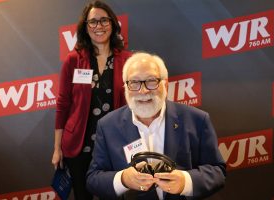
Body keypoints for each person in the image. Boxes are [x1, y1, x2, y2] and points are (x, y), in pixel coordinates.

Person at [86, 52, 226, 200]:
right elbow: (93, 179)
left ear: (165, 84)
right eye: (134, 82)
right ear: (126, 87)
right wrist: (123, 179)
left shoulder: (197, 119)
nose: (143, 90)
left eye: (151, 81)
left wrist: (186, 182)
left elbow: (217, 171)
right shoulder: (107, 126)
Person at [51, 1, 131, 199]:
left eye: (104, 20)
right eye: (93, 22)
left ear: (113, 24)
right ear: (85, 27)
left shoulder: (128, 61)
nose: (99, 26)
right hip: (79, 146)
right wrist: (56, 148)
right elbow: (63, 105)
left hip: (113, 146)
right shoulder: (74, 60)